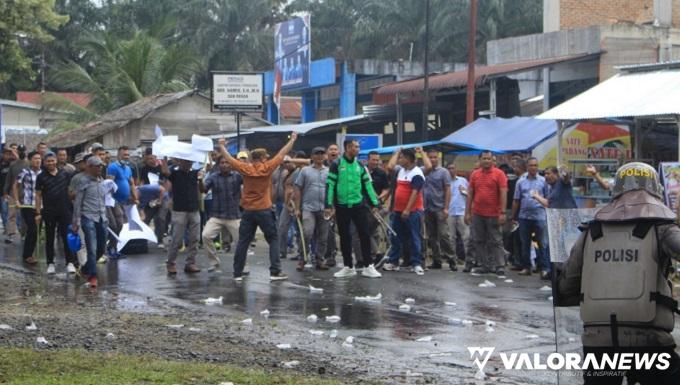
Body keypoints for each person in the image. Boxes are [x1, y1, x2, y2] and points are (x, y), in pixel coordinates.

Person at [556, 162, 680, 384]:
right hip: (649, 342)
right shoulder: (662, 228)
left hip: (598, 342)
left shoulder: (590, 232)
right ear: (655, 190)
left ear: (616, 191)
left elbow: (566, 285)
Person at [217, 134, 298, 281]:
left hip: (248, 210)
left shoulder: (245, 168)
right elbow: (282, 153)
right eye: (265, 156)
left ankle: (237, 273)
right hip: (264, 210)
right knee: (273, 239)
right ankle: (275, 271)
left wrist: (222, 145)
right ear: (261, 158)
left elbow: (229, 159)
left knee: (243, 242)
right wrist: (292, 140)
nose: (267, 158)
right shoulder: (267, 167)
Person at [325, 139, 382, 278]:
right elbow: (330, 185)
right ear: (348, 148)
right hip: (342, 206)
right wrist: (328, 205)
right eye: (356, 147)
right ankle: (348, 266)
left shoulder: (360, 166)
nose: (358, 149)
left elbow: (367, 186)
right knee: (345, 237)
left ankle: (368, 266)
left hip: (359, 205)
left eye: (358, 147)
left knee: (364, 234)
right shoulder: (337, 164)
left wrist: (375, 204)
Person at [382, 147, 431, 275]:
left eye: (402, 157)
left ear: (409, 159)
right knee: (395, 236)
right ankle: (394, 261)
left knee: (414, 237)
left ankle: (416, 263)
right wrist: (398, 152)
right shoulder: (401, 171)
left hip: (413, 211)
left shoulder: (417, 173)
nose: (399, 160)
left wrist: (407, 210)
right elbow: (390, 167)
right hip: (397, 210)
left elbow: (415, 193)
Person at [464, 150, 508, 277]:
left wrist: (503, 212)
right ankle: (484, 265)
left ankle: (499, 266)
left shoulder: (499, 174)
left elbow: (503, 193)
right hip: (478, 213)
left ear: (492, 160)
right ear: (480, 160)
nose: (487, 161)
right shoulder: (475, 174)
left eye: (489, 159)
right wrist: (467, 212)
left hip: (494, 213)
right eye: (484, 158)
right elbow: (470, 194)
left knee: (496, 240)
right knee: (479, 240)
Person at [199, 155, 243, 272]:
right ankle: (214, 263)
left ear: (231, 164)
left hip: (234, 215)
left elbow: (249, 180)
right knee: (206, 236)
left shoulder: (237, 176)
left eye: (227, 162)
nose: (224, 165)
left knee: (242, 241)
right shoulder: (213, 177)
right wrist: (199, 180)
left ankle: (242, 265)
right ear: (218, 165)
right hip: (217, 216)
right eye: (222, 163)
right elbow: (203, 190)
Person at [34, 152, 75, 275]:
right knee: (50, 238)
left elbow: (70, 191)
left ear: (56, 161)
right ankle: (50, 263)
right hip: (49, 211)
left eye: (52, 160)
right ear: (44, 163)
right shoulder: (41, 177)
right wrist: (37, 212)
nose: (51, 163)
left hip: (65, 210)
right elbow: (38, 195)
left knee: (67, 237)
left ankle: (70, 263)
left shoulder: (65, 174)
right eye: (48, 161)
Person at [160, 157, 202, 275]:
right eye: (185, 161)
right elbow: (165, 172)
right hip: (179, 210)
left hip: (194, 209)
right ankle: (171, 263)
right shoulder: (175, 173)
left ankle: (190, 263)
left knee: (195, 238)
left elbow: (206, 170)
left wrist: (206, 153)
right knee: (177, 239)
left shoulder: (195, 174)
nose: (188, 163)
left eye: (189, 161)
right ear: (180, 162)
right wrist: (164, 157)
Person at [511, 157, 550, 279]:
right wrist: (513, 216)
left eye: (536, 165)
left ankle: (544, 268)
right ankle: (526, 267)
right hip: (524, 217)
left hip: (540, 216)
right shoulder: (521, 182)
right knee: (525, 243)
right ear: (527, 167)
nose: (534, 167)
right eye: (531, 165)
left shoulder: (543, 181)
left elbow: (548, 199)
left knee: (542, 243)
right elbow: (516, 200)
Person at [72, 156, 109, 288]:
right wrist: (75, 222)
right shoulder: (83, 181)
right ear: (90, 167)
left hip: (102, 217)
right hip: (88, 217)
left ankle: (84, 269)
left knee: (101, 248)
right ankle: (93, 276)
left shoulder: (102, 181)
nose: (100, 168)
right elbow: (77, 203)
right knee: (91, 248)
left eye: (101, 166)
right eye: (97, 166)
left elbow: (105, 200)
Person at [294, 147, 330, 271]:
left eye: (322, 154)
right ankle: (302, 259)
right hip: (308, 207)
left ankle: (320, 260)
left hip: (325, 208)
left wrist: (332, 207)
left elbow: (333, 190)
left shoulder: (329, 172)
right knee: (307, 233)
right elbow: (298, 188)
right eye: (317, 154)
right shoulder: (305, 170)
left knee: (323, 237)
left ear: (325, 156)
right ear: (312, 156)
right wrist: (297, 208)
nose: (320, 156)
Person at [423, 149, 456, 271]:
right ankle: (437, 261)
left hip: (440, 208)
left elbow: (447, 190)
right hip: (427, 208)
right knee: (432, 236)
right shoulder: (424, 171)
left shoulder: (443, 172)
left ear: (438, 158)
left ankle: (451, 259)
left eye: (434, 157)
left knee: (443, 235)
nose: (432, 159)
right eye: (430, 157)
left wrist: (446, 208)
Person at [106, 146, 139, 257]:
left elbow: (131, 183)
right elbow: (109, 184)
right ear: (118, 155)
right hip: (113, 200)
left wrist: (135, 198)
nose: (127, 156)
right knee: (116, 224)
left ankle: (112, 247)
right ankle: (111, 248)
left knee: (119, 225)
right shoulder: (113, 167)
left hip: (124, 201)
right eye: (124, 154)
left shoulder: (128, 168)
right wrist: (109, 200)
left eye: (128, 154)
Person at [14, 151, 42, 265]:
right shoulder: (24, 172)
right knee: (32, 229)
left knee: (37, 231)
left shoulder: (43, 173)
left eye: (39, 158)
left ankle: (29, 253)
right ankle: (28, 255)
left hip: (40, 206)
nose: (38, 160)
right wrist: (16, 200)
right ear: (30, 160)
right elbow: (15, 185)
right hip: (27, 205)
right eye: (35, 158)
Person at [447, 162, 473, 272]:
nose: (451, 170)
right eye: (449, 169)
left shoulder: (463, 181)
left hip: (462, 211)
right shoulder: (446, 182)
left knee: (466, 237)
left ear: (456, 169)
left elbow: (471, 195)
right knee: (451, 239)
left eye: (453, 168)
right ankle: (453, 261)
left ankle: (469, 261)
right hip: (450, 212)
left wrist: (465, 191)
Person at [366, 151, 390, 265]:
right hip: (364, 206)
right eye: (373, 160)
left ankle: (377, 254)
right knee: (370, 231)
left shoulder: (381, 173)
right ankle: (374, 255)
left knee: (369, 231)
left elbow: (386, 189)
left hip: (377, 206)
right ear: (368, 160)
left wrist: (380, 197)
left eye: (377, 160)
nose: (375, 162)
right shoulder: (362, 171)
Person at [3, 145, 28, 244]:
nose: (21, 152)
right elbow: (9, 179)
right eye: (20, 151)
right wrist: (5, 191)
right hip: (13, 194)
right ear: (17, 151)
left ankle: (24, 234)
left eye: (23, 151)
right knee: (11, 214)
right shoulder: (13, 164)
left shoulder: (29, 164)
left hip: (25, 193)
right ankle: (10, 235)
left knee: (25, 215)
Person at [323, 143, 341, 266]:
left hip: (339, 202)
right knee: (325, 230)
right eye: (331, 149)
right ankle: (325, 254)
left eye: (335, 149)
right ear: (327, 153)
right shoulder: (321, 166)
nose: (333, 151)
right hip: (323, 202)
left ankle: (332, 255)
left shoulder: (342, 166)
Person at [0, 148, 14, 235]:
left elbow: (20, 159)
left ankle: (8, 230)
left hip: (8, 193)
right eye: (6, 154)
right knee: (3, 212)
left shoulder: (12, 164)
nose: (7, 156)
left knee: (6, 212)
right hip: (1, 192)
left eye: (9, 154)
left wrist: (12, 151)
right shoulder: (1, 164)